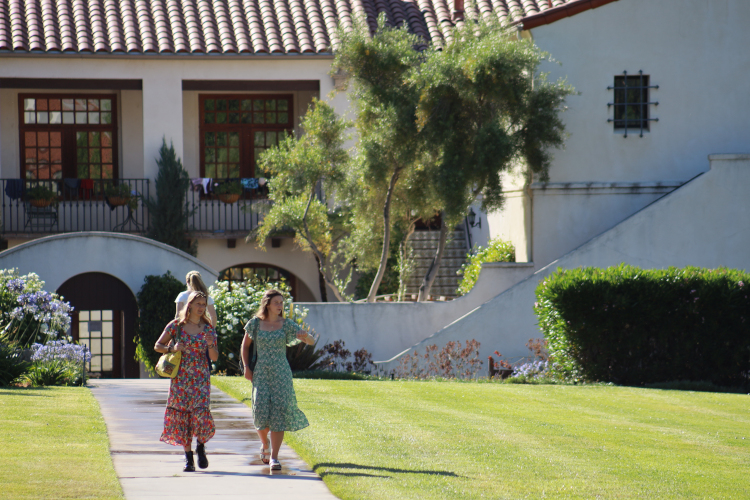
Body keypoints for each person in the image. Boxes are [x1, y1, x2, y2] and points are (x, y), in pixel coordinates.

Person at [241, 289, 315, 471]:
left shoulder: (287, 324)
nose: (280, 306)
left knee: (278, 415)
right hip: (261, 373)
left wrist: (305, 336)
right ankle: (264, 444)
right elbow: (245, 346)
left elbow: (311, 341)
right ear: (267, 304)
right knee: (259, 410)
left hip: (281, 373)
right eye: (277, 302)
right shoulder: (255, 324)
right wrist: (247, 367)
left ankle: (274, 457)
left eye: (282, 303)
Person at [155, 291, 219, 472]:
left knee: (200, 414)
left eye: (203, 304)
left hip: (200, 377)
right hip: (180, 378)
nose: (201, 308)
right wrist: (172, 348)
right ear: (189, 305)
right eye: (198, 304)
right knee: (182, 416)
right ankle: (188, 458)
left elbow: (214, 357)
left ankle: (200, 446)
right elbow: (157, 345)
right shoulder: (176, 326)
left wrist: (210, 345)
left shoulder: (208, 328)